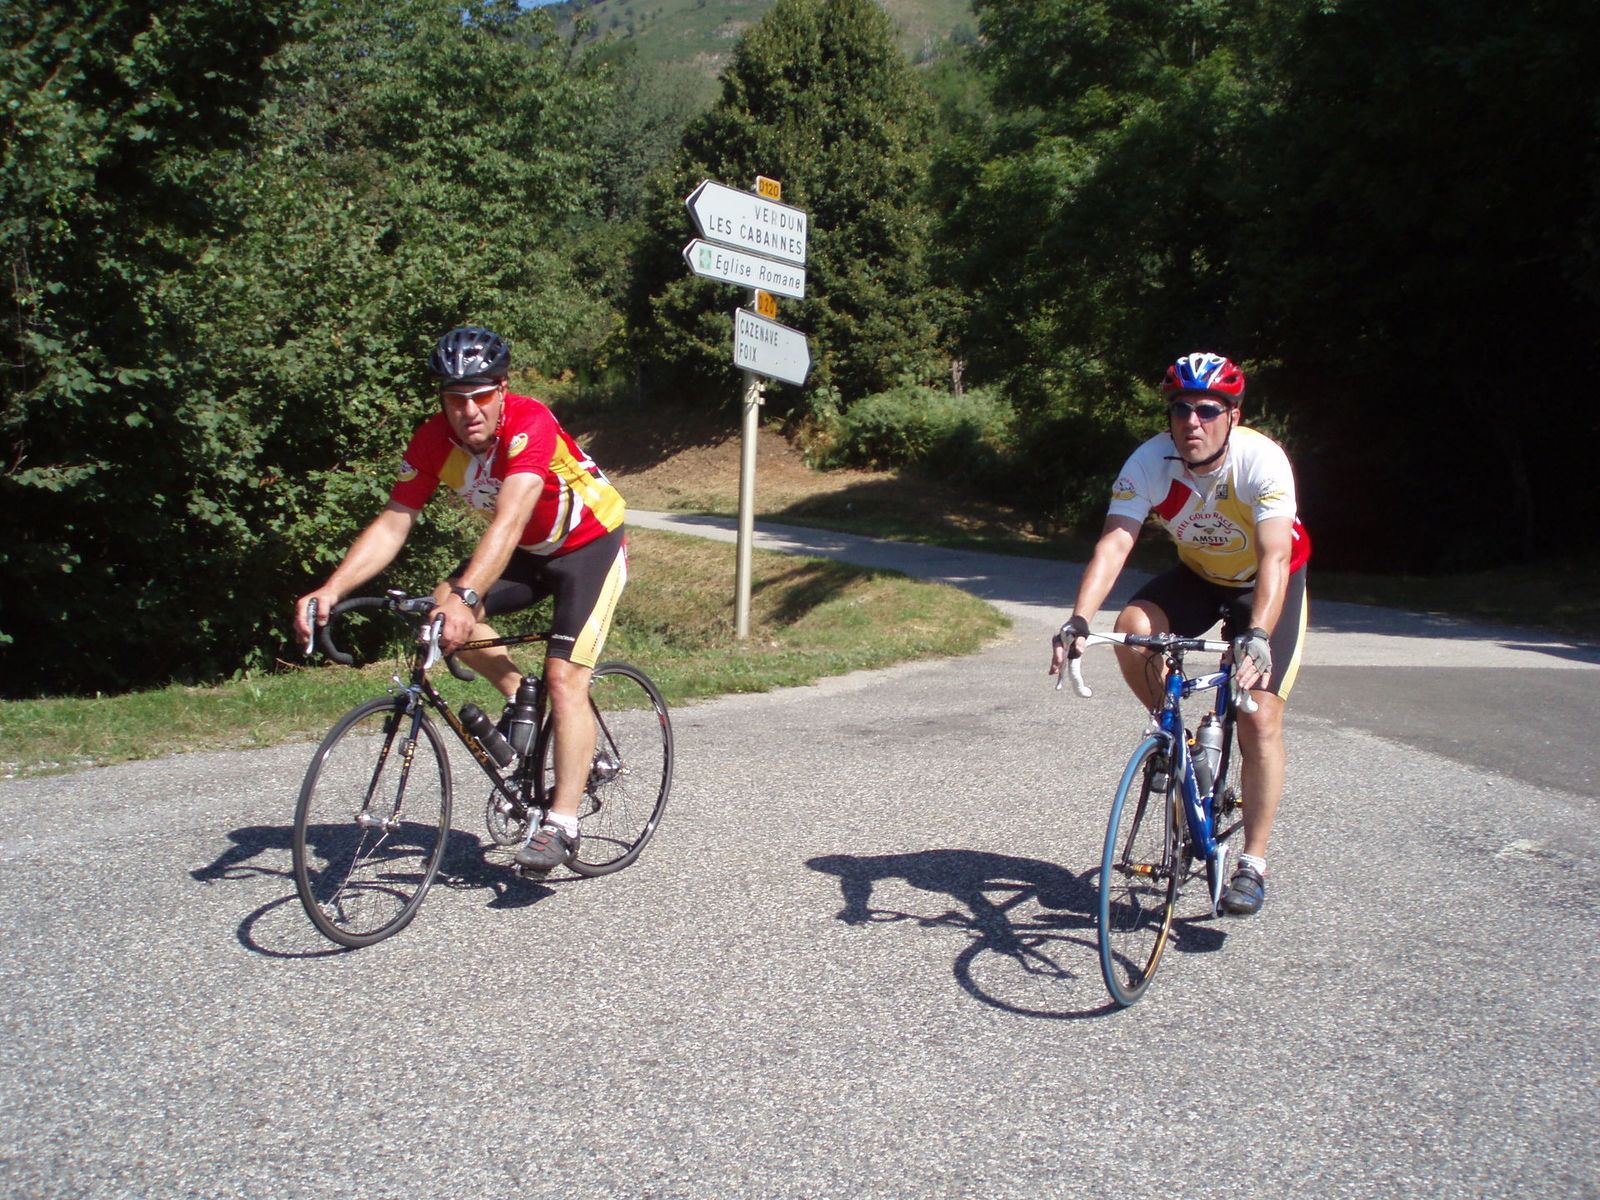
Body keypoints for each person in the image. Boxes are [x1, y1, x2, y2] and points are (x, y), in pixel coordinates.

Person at [293, 326, 628, 875]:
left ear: (502, 391)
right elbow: (394, 521)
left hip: (590, 545)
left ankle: (562, 824)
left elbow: (510, 517)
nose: (468, 411)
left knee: (565, 677)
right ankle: (518, 692)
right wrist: (333, 587)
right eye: (455, 399)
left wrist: (467, 596)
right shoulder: (432, 441)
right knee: (440, 607)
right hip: (527, 552)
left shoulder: (530, 422)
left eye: (480, 396)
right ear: (442, 400)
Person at [1048, 352, 1310, 915]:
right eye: (1180, 409)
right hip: (1199, 575)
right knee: (1134, 630)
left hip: (1267, 584)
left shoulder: (1261, 461)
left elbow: (1274, 555)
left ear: (1233, 415)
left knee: (1259, 718)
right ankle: (1177, 740)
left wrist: (1258, 633)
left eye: (1208, 409)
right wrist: (1078, 619)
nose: (1193, 421)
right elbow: (1116, 542)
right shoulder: (1149, 462)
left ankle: (1253, 863)